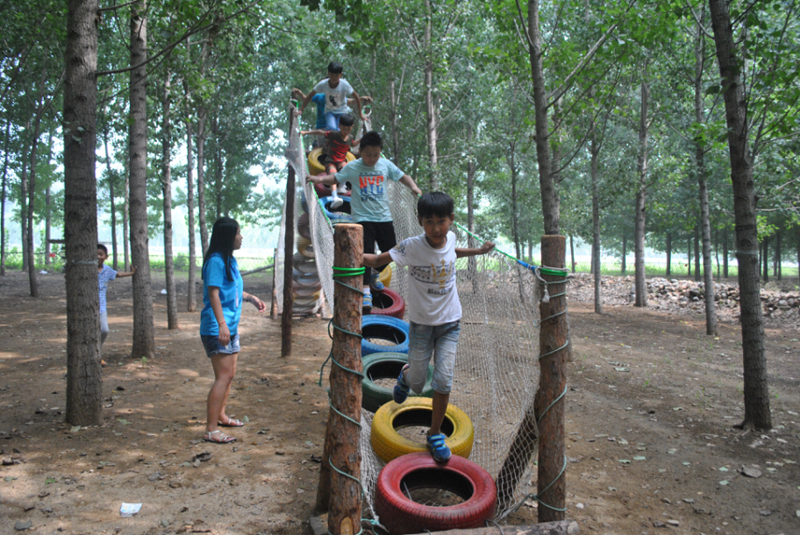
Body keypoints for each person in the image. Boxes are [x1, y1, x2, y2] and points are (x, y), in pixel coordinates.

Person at [362, 192, 494, 463]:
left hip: (450, 325)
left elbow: (452, 252)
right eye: (429, 222)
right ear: (420, 220)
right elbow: (377, 261)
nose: (436, 228)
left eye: (441, 221)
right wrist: (346, 252)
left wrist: (478, 252)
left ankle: (434, 433)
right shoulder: (411, 247)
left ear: (451, 220)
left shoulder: (451, 238)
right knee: (418, 383)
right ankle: (406, 375)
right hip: (421, 326)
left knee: (444, 380)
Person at [307, 130, 422, 311]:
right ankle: (366, 292)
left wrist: (413, 186)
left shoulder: (385, 164)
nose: (372, 158)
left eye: (376, 154)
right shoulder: (353, 166)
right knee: (366, 253)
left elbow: (403, 177)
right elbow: (335, 178)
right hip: (362, 218)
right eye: (368, 155)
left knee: (392, 250)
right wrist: (316, 178)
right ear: (360, 151)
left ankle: (374, 273)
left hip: (383, 217)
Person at [200, 217, 267, 444]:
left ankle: (220, 415)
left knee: (229, 375)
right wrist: (221, 324)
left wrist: (251, 298)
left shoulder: (230, 260)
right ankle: (211, 429)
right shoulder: (216, 261)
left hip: (230, 327)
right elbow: (213, 295)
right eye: (238, 233)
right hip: (217, 327)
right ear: (228, 237)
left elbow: (232, 290)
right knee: (223, 376)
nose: (241, 237)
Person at [301, 113, 361, 208]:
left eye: (348, 129)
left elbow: (353, 144)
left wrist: (362, 139)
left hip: (341, 161)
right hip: (331, 161)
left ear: (352, 127)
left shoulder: (350, 138)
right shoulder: (334, 134)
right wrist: (306, 132)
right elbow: (320, 132)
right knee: (333, 175)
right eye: (344, 129)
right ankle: (334, 197)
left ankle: (342, 185)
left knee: (347, 168)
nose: (346, 131)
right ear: (339, 126)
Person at [295, 61, 366, 132]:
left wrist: (360, 114)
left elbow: (356, 97)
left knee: (340, 130)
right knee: (332, 128)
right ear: (328, 73)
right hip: (329, 111)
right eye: (332, 75)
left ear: (341, 75)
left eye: (336, 75)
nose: (334, 78)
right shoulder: (323, 84)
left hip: (342, 111)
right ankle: (330, 138)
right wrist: (301, 109)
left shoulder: (344, 85)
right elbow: (309, 96)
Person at [291, 87, 371, 148]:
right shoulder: (319, 97)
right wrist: (300, 93)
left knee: (337, 145)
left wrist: (361, 99)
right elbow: (306, 99)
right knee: (323, 147)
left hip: (336, 128)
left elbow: (352, 101)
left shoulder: (339, 98)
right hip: (322, 126)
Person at [97, 244, 135, 366]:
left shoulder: (107, 270)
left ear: (106, 257)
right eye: (95, 254)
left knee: (104, 330)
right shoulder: (86, 269)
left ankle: (97, 353)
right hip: (86, 307)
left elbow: (117, 274)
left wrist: (131, 273)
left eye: (101, 254)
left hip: (101, 307)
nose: (98, 257)